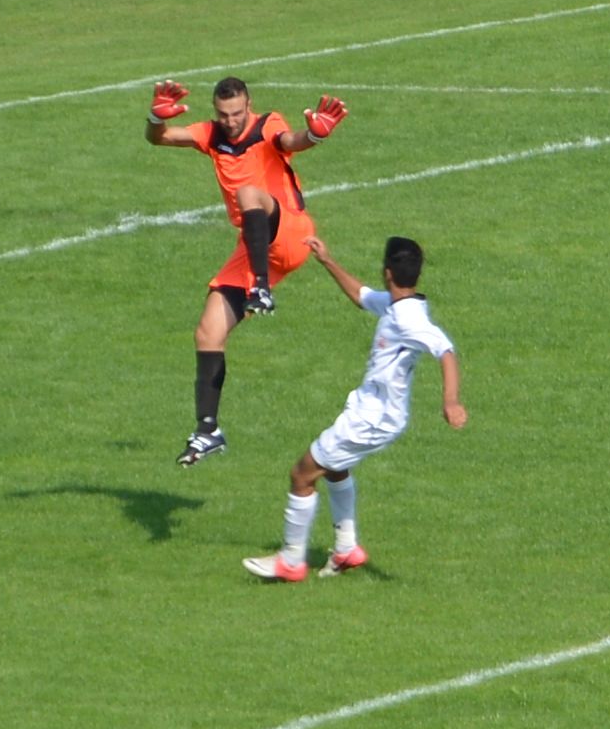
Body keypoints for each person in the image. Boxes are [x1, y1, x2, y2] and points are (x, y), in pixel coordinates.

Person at [146, 77, 349, 466]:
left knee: (248, 195)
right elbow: (159, 138)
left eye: (237, 113)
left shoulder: (266, 123)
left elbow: (290, 142)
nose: (231, 122)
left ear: (248, 106)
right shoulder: (210, 134)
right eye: (223, 115)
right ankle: (207, 430)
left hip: (288, 230)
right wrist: (155, 117)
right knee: (208, 330)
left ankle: (261, 289)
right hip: (254, 246)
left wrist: (315, 135)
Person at [242, 236, 467, 582]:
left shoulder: (409, 319)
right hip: (370, 412)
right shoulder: (400, 304)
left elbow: (445, 351)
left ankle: (290, 561)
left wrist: (450, 400)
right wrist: (327, 260)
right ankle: (346, 549)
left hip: (372, 419)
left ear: (387, 272)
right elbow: (362, 296)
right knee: (334, 468)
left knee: (302, 475)